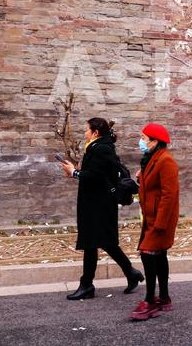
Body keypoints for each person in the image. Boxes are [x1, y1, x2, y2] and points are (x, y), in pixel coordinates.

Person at [60, 118, 144, 300]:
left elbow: (96, 176)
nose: (85, 133)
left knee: (94, 242)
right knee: (103, 242)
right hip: (95, 202)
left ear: (95, 132)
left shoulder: (102, 148)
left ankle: (87, 285)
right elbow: (96, 173)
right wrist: (76, 171)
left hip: (99, 204)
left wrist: (74, 172)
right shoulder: (97, 147)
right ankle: (130, 273)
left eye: (87, 129)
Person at [129, 123, 180, 321]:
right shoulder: (151, 158)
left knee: (147, 254)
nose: (141, 141)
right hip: (150, 216)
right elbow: (153, 187)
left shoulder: (166, 160)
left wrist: (160, 223)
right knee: (159, 256)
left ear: (154, 141)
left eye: (144, 138)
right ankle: (164, 298)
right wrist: (141, 178)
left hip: (160, 219)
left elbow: (169, 195)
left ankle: (150, 300)